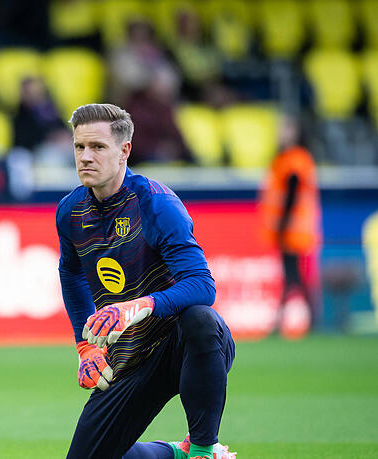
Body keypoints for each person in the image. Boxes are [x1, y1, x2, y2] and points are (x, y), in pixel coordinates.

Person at [56, 104, 236, 458]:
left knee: (202, 320)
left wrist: (140, 306)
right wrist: (85, 346)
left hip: (180, 345)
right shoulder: (70, 211)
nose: (85, 157)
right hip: (128, 356)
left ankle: (203, 451)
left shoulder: (156, 203)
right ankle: (176, 454)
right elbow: (70, 271)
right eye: (79, 147)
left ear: (124, 151)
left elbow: (202, 285)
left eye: (98, 147)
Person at [259, 114, 322, 333]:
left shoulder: (293, 159)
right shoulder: (293, 158)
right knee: (294, 276)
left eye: (286, 129)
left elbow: (291, 193)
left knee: (293, 275)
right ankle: (308, 318)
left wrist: (283, 223)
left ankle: (292, 320)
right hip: (294, 229)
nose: (282, 133)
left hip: (292, 229)